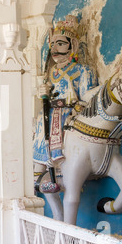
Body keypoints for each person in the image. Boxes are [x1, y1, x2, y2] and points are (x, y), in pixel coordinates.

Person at [33, 15, 98, 193]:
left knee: (62, 121)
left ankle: (64, 167)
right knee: (41, 119)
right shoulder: (52, 72)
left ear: (73, 45)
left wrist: (75, 102)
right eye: (52, 44)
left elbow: (88, 97)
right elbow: (48, 94)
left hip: (73, 112)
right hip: (52, 111)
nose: (54, 48)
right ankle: (40, 169)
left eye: (60, 43)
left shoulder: (83, 70)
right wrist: (43, 93)